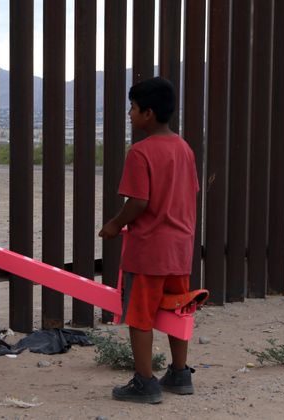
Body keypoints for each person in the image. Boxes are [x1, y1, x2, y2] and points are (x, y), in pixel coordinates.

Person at [99, 77, 199, 404]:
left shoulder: (140, 153)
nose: (129, 114)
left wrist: (114, 225)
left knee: (140, 316)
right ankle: (180, 373)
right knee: (177, 310)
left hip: (148, 251)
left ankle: (145, 382)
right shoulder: (184, 149)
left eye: (133, 108)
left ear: (149, 113)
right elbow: (188, 194)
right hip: (179, 248)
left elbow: (139, 202)